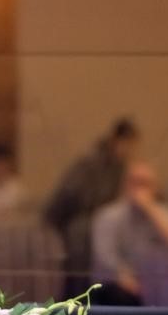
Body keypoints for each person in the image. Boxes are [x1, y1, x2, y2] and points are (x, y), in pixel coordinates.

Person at [43, 117, 141, 295]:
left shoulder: (118, 166)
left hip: (100, 224)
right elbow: (68, 195)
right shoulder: (91, 163)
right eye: (128, 144)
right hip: (81, 227)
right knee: (78, 279)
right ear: (117, 140)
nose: (130, 151)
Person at [90, 161, 168, 305]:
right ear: (125, 185)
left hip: (156, 285)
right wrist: (124, 277)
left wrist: (150, 209)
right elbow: (105, 258)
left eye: (145, 184)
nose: (139, 189)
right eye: (134, 182)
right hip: (116, 286)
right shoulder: (108, 216)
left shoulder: (162, 215)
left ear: (156, 188)